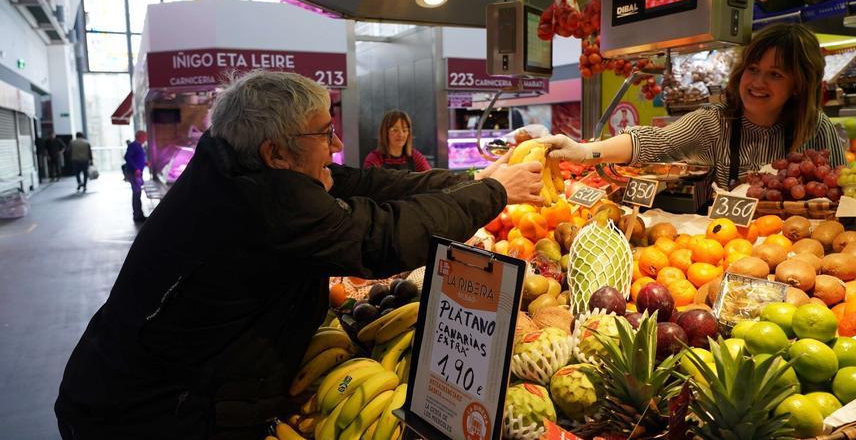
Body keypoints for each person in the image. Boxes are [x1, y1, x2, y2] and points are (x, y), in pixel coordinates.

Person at [55, 70, 543, 440]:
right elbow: (382, 239)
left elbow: (367, 182)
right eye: (324, 133)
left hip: (135, 390)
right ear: (276, 152)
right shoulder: (262, 203)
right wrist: (494, 194)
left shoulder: (239, 167)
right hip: (146, 415)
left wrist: (474, 179)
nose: (336, 144)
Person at [539, 23, 846, 195]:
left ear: (798, 85)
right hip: (725, 252)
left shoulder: (817, 129)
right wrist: (584, 151)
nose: (757, 82)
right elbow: (652, 142)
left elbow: (839, 193)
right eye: (753, 69)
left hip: (802, 258)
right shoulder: (713, 122)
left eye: (775, 74)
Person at [363, 110, 431, 171]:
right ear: (385, 132)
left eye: (404, 130)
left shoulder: (415, 157)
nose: (401, 134)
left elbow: (430, 177)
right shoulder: (374, 159)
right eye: (395, 130)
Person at [124, 130, 148, 222]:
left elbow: (137, 157)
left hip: (137, 172)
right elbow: (127, 157)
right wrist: (136, 168)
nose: (146, 139)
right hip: (134, 173)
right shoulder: (133, 145)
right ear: (140, 137)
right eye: (145, 137)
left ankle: (139, 214)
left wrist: (145, 163)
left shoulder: (138, 146)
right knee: (137, 193)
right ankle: (137, 215)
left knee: (138, 193)